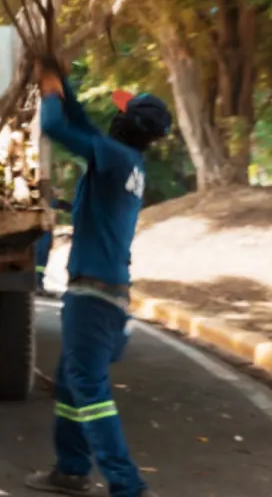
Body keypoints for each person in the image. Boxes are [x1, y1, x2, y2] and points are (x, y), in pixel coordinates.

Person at [25, 62, 171, 497]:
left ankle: (127, 484)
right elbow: (84, 121)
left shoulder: (114, 157)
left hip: (93, 297)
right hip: (108, 296)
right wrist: (58, 76)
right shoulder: (127, 162)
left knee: (89, 389)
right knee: (72, 381)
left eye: (123, 112)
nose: (115, 115)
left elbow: (55, 126)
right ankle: (70, 470)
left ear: (127, 124)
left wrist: (50, 94)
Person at [34, 193, 73, 295]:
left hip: (46, 230)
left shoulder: (48, 198)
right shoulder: (42, 198)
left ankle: (39, 283)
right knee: (40, 257)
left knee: (42, 258)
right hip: (41, 230)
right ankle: (37, 283)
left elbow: (61, 205)